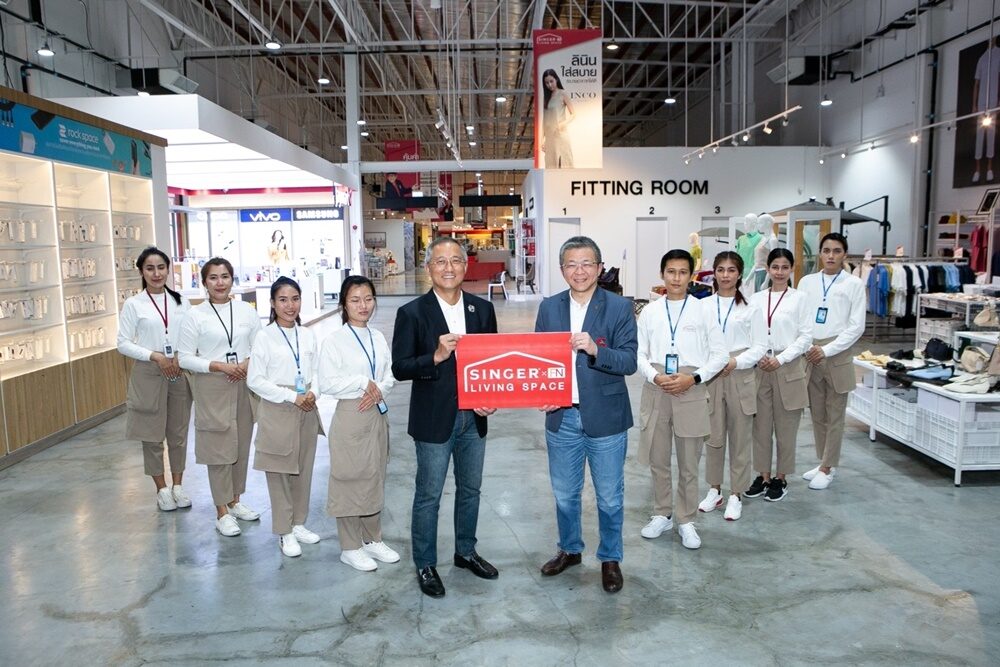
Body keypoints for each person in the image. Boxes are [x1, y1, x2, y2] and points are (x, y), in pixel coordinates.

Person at [391, 237, 499, 598]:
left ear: (465, 266)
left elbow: (492, 363)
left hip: (474, 419)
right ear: (428, 268)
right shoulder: (412, 313)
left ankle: (465, 551)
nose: (448, 268)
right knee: (429, 494)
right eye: (440, 261)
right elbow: (400, 367)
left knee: (471, 490)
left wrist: (490, 397)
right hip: (434, 419)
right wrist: (435, 357)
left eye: (455, 260)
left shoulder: (482, 310)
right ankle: (425, 563)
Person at [534, 236, 637, 594]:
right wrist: (543, 393)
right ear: (562, 269)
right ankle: (570, 549)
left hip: (606, 417)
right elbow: (538, 360)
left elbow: (629, 361)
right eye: (571, 265)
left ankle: (610, 558)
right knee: (565, 493)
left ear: (599, 267)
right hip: (562, 417)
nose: (579, 271)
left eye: (587, 264)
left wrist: (595, 349)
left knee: (609, 496)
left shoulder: (619, 307)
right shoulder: (549, 307)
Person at [637, 249, 728, 551]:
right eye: (671, 272)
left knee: (689, 462)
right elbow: (639, 353)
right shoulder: (649, 312)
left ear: (691, 276)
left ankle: (686, 519)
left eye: (682, 272)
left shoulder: (704, 310)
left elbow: (720, 355)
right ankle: (662, 514)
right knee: (658, 459)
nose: (676, 278)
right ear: (662, 274)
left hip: (691, 388)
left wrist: (695, 378)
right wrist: (654, 376)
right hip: (657, 388)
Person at [319, 276, 400, 572]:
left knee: (375, 475)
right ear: (344, 304)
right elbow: (327, 383)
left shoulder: (377, 337)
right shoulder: (334, 341)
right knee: (350, 479)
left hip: (377, 410)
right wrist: (362, 383)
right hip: (352, 412)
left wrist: (378, 389)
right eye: (355, 300)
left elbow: (390, 374)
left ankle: (372, 538)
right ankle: (350, 546)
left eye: (368, 299)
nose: (363, 305)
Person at [178, 257, 262, 537]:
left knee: (240, 445)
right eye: (213, 277)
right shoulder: (195, 316)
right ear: (204, 282)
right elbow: (184, 358)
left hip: (243, 382)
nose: (220, 282)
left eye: (225, 276)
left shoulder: (246, 311)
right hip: (212, 385)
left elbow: (259, 346)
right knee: (218, 448)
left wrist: (248, 363)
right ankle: (221, 511)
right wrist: (218, 366)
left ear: (231, 279)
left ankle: (235, 501)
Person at [247, 277, 322, 558]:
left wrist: (313, 392)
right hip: (278, 408)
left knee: (303, 468)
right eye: (282, 300)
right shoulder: (264, 337)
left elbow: (317, 371)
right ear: (272, 303)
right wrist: (292, 396)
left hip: (307, 408)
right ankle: (284, 530)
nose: (290, 305)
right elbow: (255, 380)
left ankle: (298, 523)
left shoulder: (307, 334)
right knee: (278, 471)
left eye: (295, 299)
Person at [117, 247, 194, 511]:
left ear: (168, 269)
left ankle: (178, 486)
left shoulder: (181, 302)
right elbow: (123, 343)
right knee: (151, 434)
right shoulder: (134, 304)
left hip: (178, 370)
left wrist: (180, 356)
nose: (156, 273)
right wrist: (155, 356)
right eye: (150, 268)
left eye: (161, 267)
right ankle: (161, 489)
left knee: (178, 432)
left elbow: (191, 336)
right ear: (141, 272)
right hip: (149, 371)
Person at [697, 252, 767, 521]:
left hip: (740, 375)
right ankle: (714, 489)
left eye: (731, 270)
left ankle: (736, 493)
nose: (725, 275)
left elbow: (760, 346)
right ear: (714, 273)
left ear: (739, 274)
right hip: (711, 377)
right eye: (721, 270)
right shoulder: (702, 306)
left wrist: (736, 361)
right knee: (713, 437)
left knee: (740, 438)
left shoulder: (751, 307)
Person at [798, 232, 866, 490]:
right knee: (817, 413)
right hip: (811, 351)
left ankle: (828, 467)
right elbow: (799, 317)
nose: (831, 255)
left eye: (836, 251)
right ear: (820, 253)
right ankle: (822, 461)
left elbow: (856, 326)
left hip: (837, 351)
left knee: (835, 413)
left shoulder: (854, 284)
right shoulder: (807, 282)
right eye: (826, 250)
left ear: (844, 254)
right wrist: (808, 346)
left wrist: (827, 350)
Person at [746, 249, 813, 501]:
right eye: (775, 267)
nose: (779, 272)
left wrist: (781, 358)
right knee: (761, 428)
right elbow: (749, 331)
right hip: (761, 367)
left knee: (786, 429)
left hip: (788, 367)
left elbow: (806, 336)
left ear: (792, 269)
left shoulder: (800, 299)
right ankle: (763, 476)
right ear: (768, 268)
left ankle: (781, 478)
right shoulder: (756, 299)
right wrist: (758, 356)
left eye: (785, 267)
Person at [972, 36, 1000, 183]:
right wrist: (974, 104)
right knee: (979, 135)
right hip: (982, 102)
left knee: (991, 134)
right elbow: (976, 83)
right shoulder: (981, 59)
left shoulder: (999, 54)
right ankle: (977, 170)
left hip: (993, 100)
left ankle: (989, 168)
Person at [541, 69, 575, 168]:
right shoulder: (546, 98)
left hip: (560, 133)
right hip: (550, 137)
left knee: (564, 163)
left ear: (556, 79)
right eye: (547, 83)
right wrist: (542, 140)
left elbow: (573, 114)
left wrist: (563, 123)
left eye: (551, 81)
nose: (549, 85)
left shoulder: (562, 94)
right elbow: (544, 120)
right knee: (551, 165)